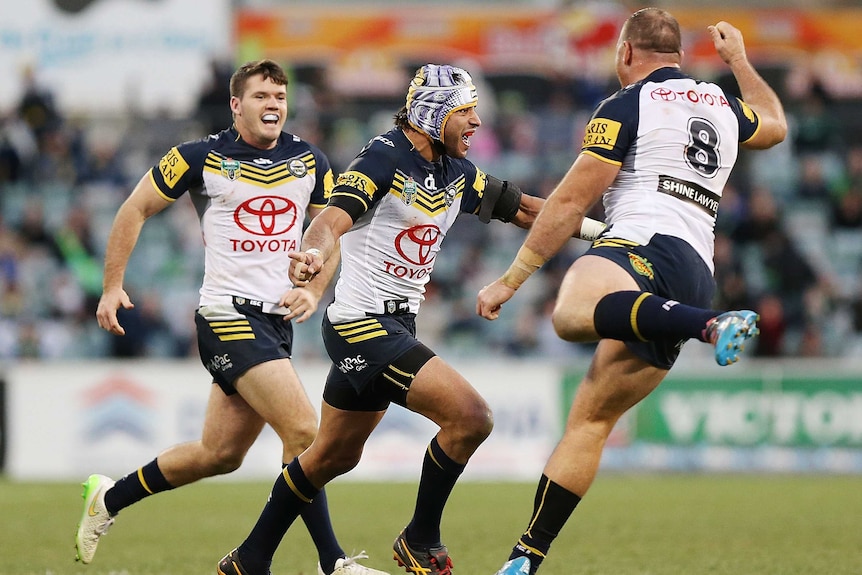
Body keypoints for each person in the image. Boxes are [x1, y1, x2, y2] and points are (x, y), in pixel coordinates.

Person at [216, 63, 606, 575]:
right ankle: (419, 539)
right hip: (363, 327)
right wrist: (311, 254)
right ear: (435, 112)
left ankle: (248, 559)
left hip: (395, 328)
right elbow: (331, 218)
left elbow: (534, 213)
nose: (477, 123)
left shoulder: (457, 173)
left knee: (330, 457)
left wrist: (607, 234)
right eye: (466, 111)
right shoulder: (383, 158)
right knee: (471, 418)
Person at [476, 10, 787, 575]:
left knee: (570, 314)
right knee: (590, 421)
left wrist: (509, 281)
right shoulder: (721, 107)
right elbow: (775, 123)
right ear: (680, 57)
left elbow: (571, 203)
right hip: (694, 267)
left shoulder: (624, 105)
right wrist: (738, 59)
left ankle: (708, 324)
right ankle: (525, 558)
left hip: (641, 245)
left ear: (625, 54)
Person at [75, 59, 387, 575]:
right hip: (225, 316)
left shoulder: (310, 159)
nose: (274, 106)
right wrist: (112, 287)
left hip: (274, 323)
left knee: (218, 454)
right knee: (305, 432)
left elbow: (333, 230)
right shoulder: (197, 156)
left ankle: (107, 500)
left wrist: (314, 289)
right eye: (262, 96)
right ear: (236, 104)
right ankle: (333, 563)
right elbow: (134, 208)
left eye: (280, 98)